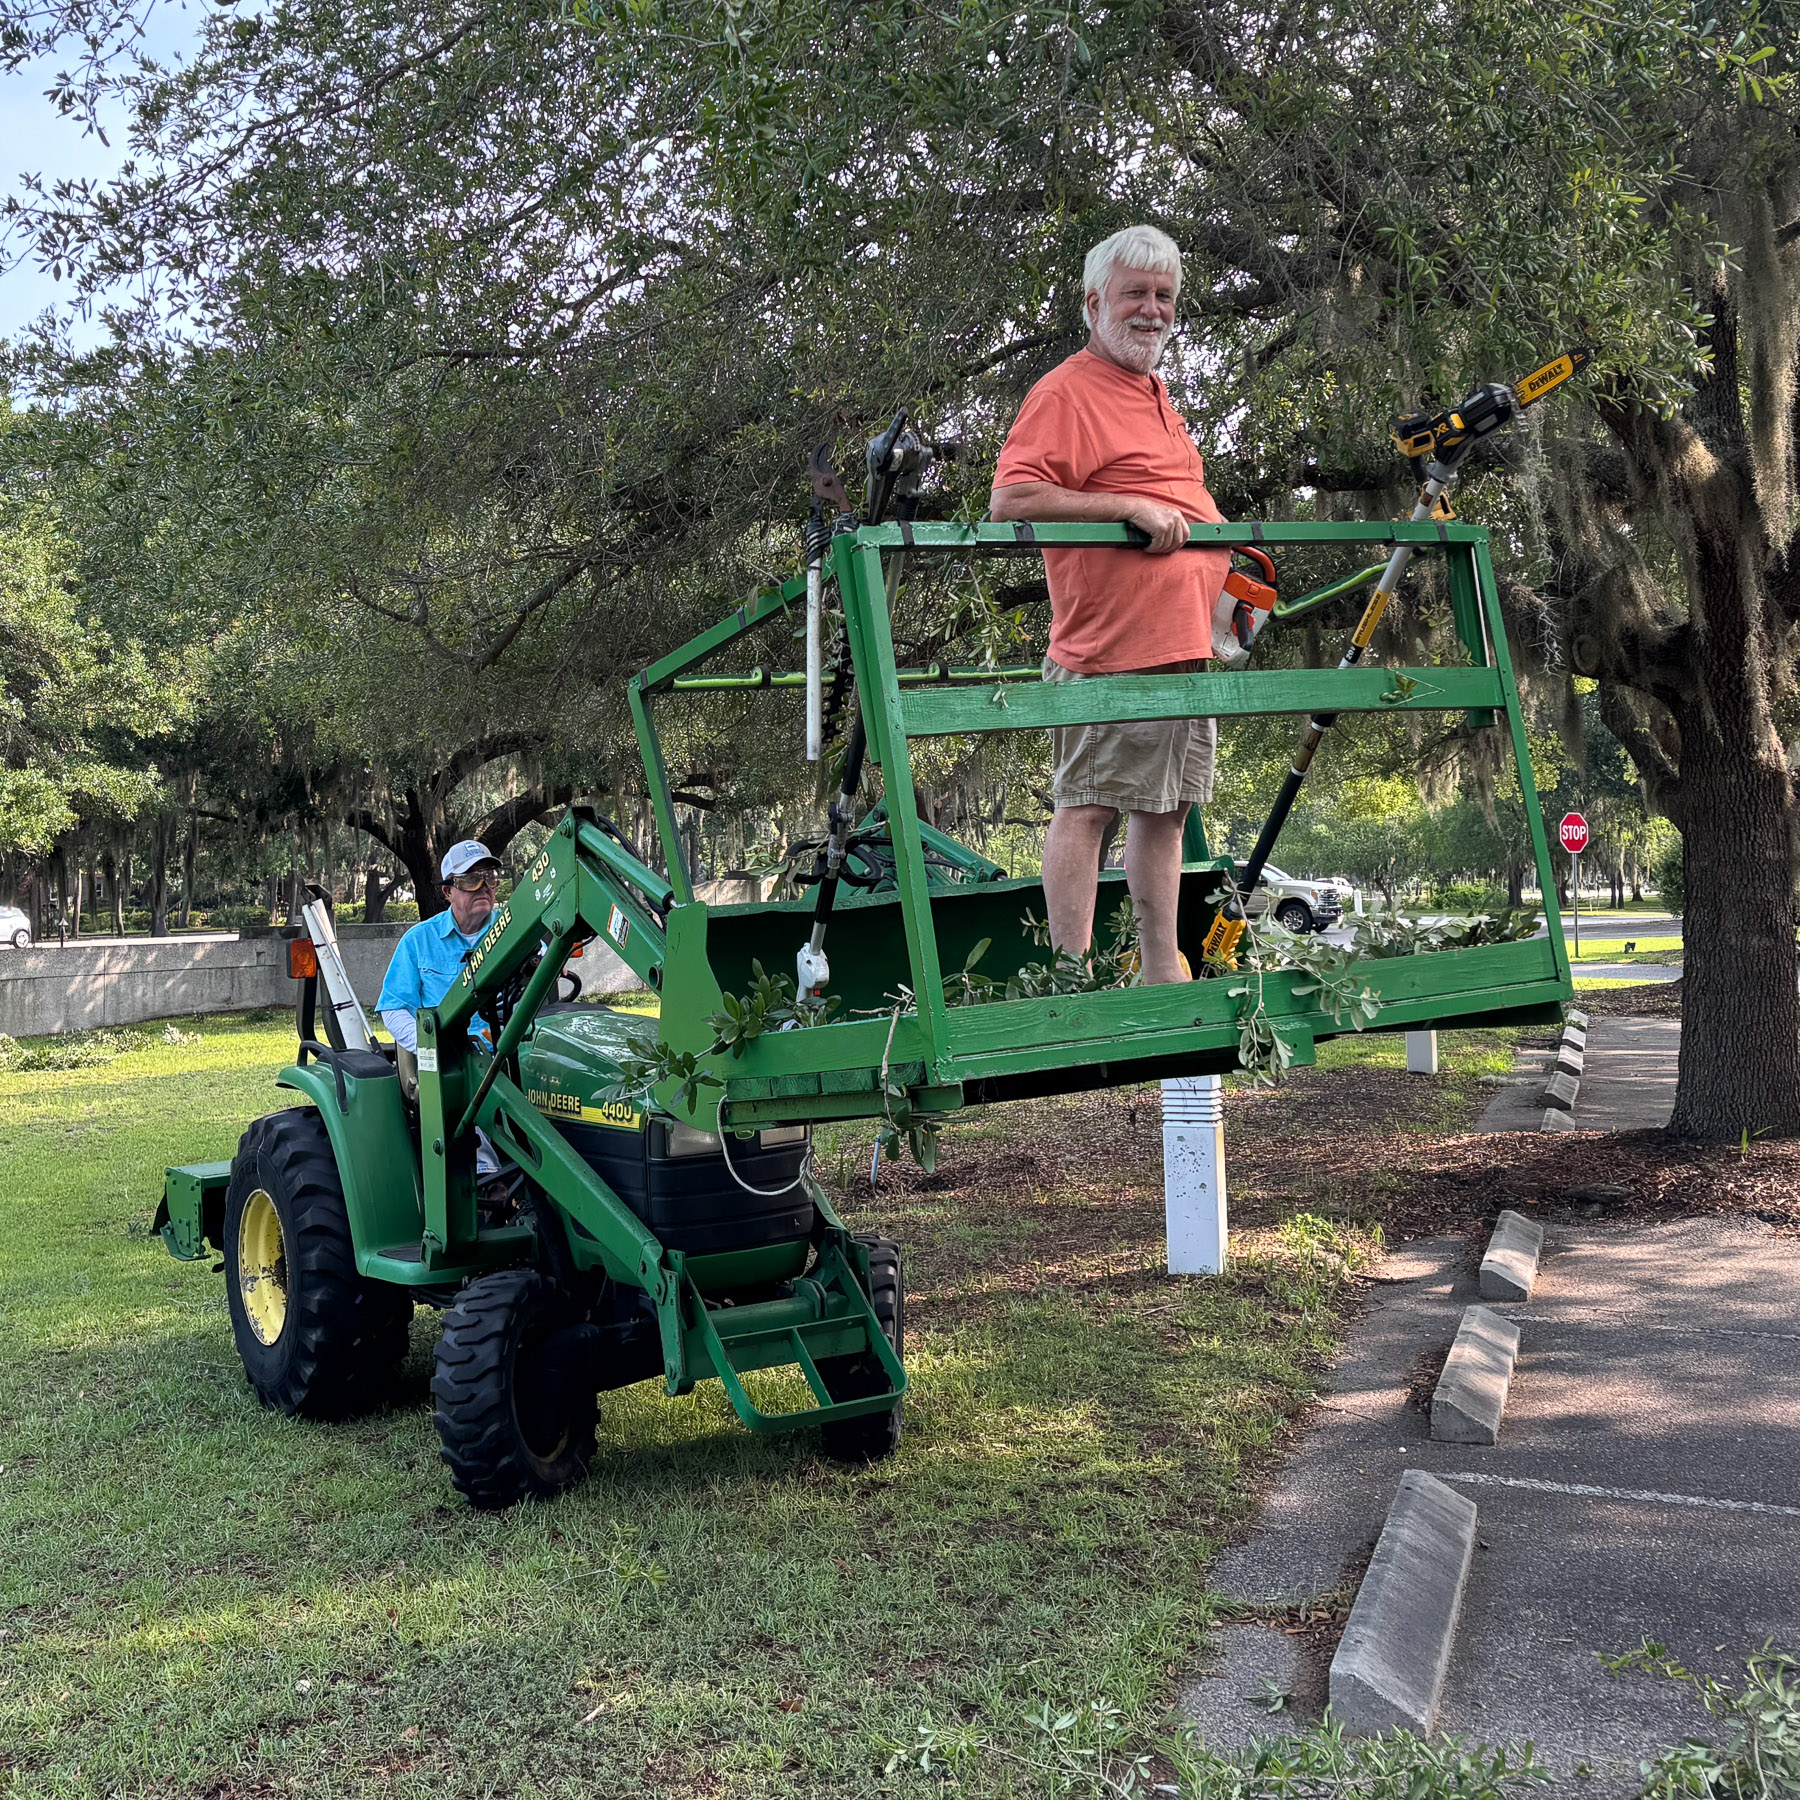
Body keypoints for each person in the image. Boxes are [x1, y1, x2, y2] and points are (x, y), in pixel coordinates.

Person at [989, 223, 1231, 984]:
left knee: (1166, 811)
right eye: (1135, 294)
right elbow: (1010, 498)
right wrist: (1125, 506)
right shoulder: (1066, 390)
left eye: (1164, 296)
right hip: (1107, 653)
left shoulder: (1155, 393)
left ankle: (1164, 967)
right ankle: (1073, 979)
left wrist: (1231, 574)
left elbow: (1184, 501)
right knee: (1089, 806)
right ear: (1094, 303)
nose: (1152, 310)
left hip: (1185, 648)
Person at [377, 840, 503, 1053]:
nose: (483, 888)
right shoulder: (418, 941)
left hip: (513, 1055)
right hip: (451, 1065)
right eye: (471, 880)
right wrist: (431, 1046)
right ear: (448, 892)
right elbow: (394, 1008)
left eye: (488, 878)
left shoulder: (514, 926)